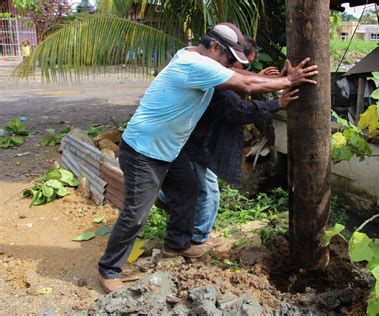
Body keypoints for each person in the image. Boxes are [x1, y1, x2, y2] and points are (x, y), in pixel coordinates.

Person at [97, 22, 318, 293]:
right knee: (136, 214)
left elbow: (244, 84)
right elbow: (245, 82)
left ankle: (177, 244)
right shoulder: (194, 64)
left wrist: (268, 82)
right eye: (229, 59)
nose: (230, 66)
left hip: (168, 148)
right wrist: (288, 81)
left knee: (189, 189)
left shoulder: (196, 58)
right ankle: (109, 269)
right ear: (215, 47)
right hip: (143, 151)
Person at [158, 36, 296, 248]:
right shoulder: (211, 75)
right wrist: (278, 101)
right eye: (240, 63)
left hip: (190, 140)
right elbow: (237, 108)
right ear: (224, 54)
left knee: (190, 187)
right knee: (207, 191)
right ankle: (197, 239)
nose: (240, 69)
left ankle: (168, 201)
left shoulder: (210, 67)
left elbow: (240, 81)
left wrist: (258, 80)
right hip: (194, 142)